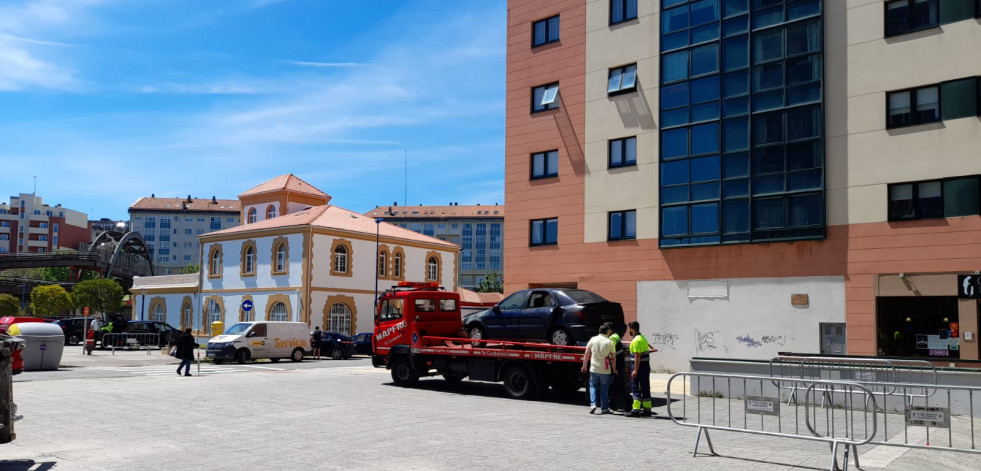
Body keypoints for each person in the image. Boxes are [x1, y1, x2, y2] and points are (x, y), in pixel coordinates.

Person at [581, 325, 616, 414]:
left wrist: (584, 366)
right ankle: (604, 408)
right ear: (607, 331)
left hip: (594, 368)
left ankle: (593, 404)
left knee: (592, 386)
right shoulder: (610, 342)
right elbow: (613, 357)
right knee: (604, 388)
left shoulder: (593, 339)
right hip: (605, 369)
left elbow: (586, 353)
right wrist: (614, 368)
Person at [625, 321, 654, 417]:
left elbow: (637, 356)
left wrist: (635, 370)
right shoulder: (643, 338)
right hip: (645, 367)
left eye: (630, 329)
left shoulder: (636, 340)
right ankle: (647, 410)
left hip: (639, 367)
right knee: (645, 388)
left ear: (632, 329)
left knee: (636, 388)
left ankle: (636, 410)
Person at [604, 322, 631, 412]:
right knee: (616, 386)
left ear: (610, 330)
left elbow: (610, 350)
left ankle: (628, 402)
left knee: (618, 386)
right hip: (619, 365)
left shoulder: (613, 338)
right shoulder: (615, 336)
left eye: (606, 330)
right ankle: (613, 404)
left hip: (617, 366)